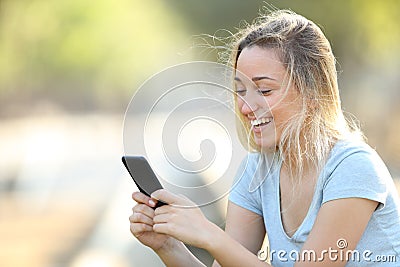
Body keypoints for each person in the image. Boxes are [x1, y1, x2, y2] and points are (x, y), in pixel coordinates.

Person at [129, 9, 400, 266]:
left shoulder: (354, 168)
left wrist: (209, 234)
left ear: (313, 91)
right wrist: (167, 245)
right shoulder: (256, 171)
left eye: (265, 90)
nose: (246, 108)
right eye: (241, 91)